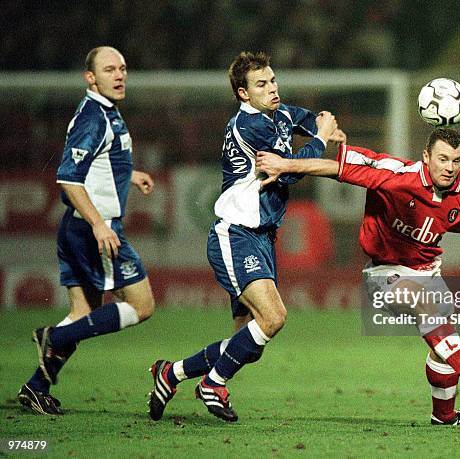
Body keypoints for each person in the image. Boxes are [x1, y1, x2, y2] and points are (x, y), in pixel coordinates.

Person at [255, 127, 460, 426]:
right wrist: (285, 164)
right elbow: (333, 168)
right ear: (426, 157)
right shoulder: (396, 175)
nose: (450, 167)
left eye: (456, 160)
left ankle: (445, 417)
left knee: (443, 345)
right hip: (383, 271)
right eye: (443, 159)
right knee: (426, 307)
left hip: (429, 273)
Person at [147, 51, 344, 422]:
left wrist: (323, 126)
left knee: (248, 342)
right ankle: (212, 384)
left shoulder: (276, 112)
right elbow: (286, 172)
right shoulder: (251, 127)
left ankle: (170, 373)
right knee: (273, 318)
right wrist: (321, 136)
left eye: (273, 81)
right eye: (261, 84)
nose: (272, 89)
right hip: (236, 234)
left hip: (261, 238)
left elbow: (301, 117)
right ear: (242, 94)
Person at [18, 46, 156, 415]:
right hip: (95, 230)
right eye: (109, 69)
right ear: (90, 77)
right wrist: (98, 225)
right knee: (142, 305)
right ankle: (55, 337)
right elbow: (68, 178)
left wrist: (131, 174)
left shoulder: (107, 112)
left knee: (84, 313)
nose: (119, 74)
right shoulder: (93, 117)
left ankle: (36, 386)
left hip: (78, 229)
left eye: (123, 68)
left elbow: (98, 166)